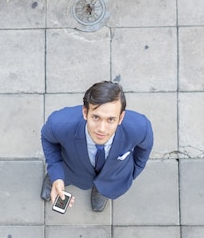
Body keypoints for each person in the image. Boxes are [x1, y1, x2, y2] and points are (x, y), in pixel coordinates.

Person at [40, 81, 154, 212]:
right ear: (85, 112)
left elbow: (144, 149)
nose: (102, 129)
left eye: (110, 119)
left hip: (113, 174)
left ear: (121, 118)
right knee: (58, 176)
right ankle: (54, 180)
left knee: (104, 186)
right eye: (95, 117)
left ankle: (101, 189)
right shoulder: (59, 123)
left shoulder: (140, 127)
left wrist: (134, 171)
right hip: (72, 168)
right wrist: (56, 174)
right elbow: (48, 140)